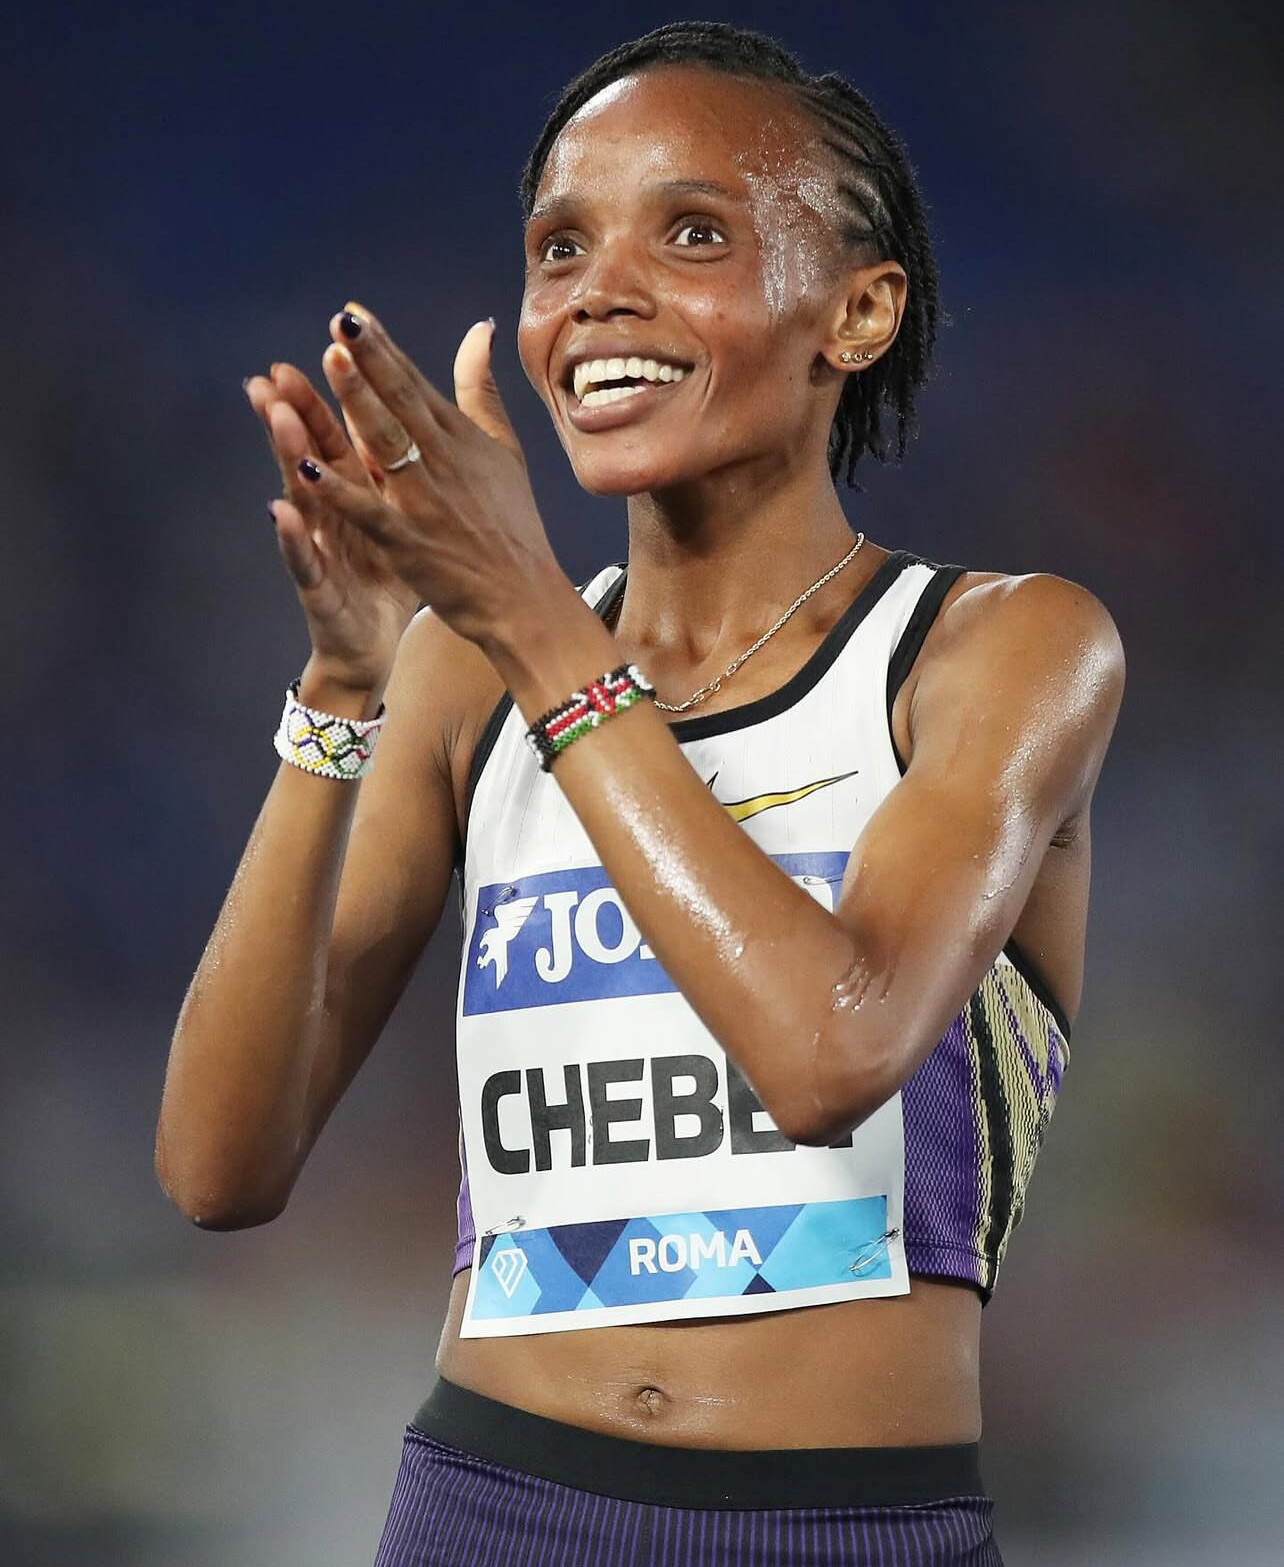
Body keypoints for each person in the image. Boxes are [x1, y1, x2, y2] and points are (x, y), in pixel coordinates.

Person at [155, 21, 1124, 1567]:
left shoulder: (997, 650)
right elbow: (218, 1167)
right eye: (561, 247)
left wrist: (536, 623)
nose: (599, 291)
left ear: (860, 310)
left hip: (850, 1531)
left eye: (692, 234)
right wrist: (342, 689)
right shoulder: (467, 674)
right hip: (490, 1507)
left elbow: (831, 1053)